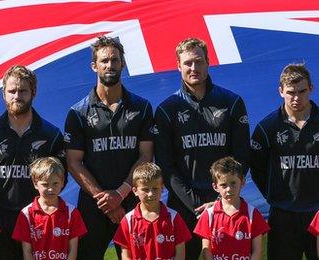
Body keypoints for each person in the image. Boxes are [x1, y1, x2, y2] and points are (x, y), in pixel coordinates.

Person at [154, 37, 251, 259]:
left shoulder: (232, 102)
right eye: (187, 63)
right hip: (184, 208)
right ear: (178, 66)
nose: (193, 68)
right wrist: (197, 205)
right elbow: (166, 166)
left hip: (225, 203)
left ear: (208, 62)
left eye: (198, 61)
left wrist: (219, 201)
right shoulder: (167, 109)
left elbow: (242, 157)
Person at [64, 36, 154, 259]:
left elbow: (146, 155)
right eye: (104, 61)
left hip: (133, 201)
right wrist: (104, 199)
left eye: (115, 60)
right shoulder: (78, 113)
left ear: (123, 63)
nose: (110, 65)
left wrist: (120, 193)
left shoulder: (142, 108)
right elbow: (73, 162)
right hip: (93, 204)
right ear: (94, 66)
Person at [250, 63, 319, 259]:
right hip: (283, 214)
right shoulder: (267, 128)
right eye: (290, 92)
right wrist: (274, 196)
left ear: (311, 88)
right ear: (280, 91)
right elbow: (257, 169)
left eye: (302, 91)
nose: (296, 98)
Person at [0, 65, 64, 259]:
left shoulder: (51, 135)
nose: (16, 96)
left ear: (33, 92)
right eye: (11, 91)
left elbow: (61, 178)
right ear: (3, 93)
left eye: (23, 90)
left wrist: (45, 210)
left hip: (37, 220)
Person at [12, 157, 87, 260]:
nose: (50, 189)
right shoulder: (26, 214)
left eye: (55, 183)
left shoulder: (71, 212)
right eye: (45, 184)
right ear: (35, 183)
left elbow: (73, 250)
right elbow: (27, 251)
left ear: (62, 182)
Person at [194, 157, 269, 260]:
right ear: (215, 186)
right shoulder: (209, 215)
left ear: (242, 182)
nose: (229, 189)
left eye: (233, 183)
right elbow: (206, 249)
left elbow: (257, 250)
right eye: (223, 185)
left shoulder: (252, 214)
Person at [113, 162, 192, 260]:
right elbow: (125, 255)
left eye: (155, 189)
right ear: (135, 191)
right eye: (145, 189)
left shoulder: (174, 217)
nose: (150, 194)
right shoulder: (128, 220)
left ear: (162, 188)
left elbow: (180, 255)